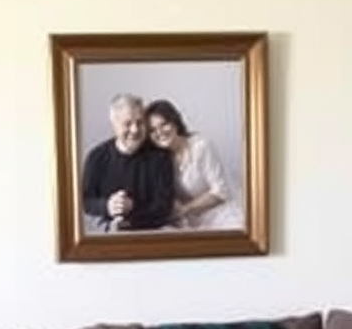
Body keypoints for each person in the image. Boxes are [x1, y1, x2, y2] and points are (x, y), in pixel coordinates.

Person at [81, 93, 174, 232]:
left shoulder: (160, 157)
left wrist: (131, 209)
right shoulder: (97, 156)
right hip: (107, 227)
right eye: (128, 123)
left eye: (140, 122)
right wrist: (107, 206)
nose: (135, 130)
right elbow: (85, 201)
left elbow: (164, 207)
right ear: (114, 124)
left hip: (150, 229)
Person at [145, 98, 243, 230]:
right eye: (152, 130)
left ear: (175, 122)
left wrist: (185, 209)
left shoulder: (201, 146)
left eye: (164, 124)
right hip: (190, 220)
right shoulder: (160, 159)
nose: (160, 132)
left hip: (220, 213)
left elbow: (221, 192)